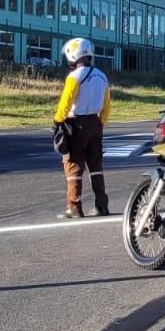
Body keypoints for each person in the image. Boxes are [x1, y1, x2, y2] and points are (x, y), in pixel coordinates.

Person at [54, 37, 112, 219]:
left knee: (73, 166)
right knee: (95, 166)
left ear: (73, 55)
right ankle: (102, 205)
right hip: (96, 124)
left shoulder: (74, 77)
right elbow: (107, 105)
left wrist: (58, 121)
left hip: (76, 124)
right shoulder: (102, 76)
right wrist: (100, 122)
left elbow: (66, 101)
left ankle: (74, 206)